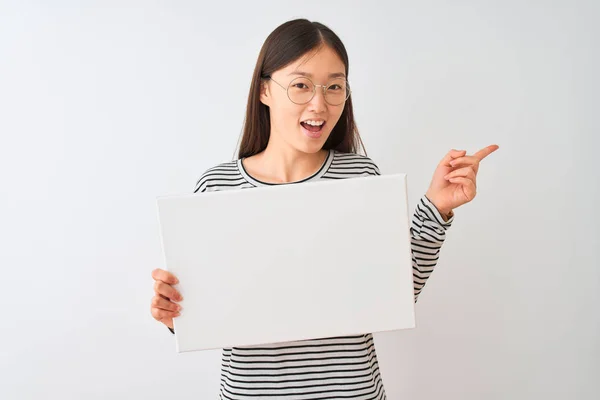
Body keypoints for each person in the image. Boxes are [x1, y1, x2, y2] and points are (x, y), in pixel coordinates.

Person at [150, 18, 498, 400]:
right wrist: (175, 314)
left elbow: (396, 291)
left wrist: (437, 207)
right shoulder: (216, 188)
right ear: (265, 90)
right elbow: (212, 312)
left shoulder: (360, 176)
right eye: (300, 85)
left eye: (334, 86)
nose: (319, 103)